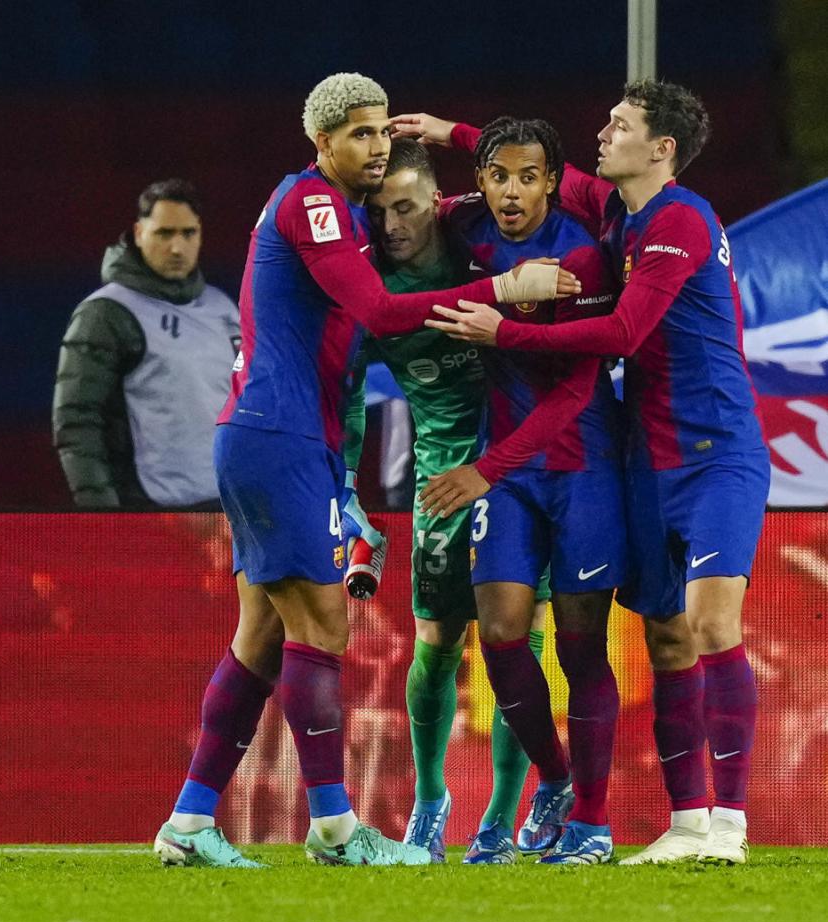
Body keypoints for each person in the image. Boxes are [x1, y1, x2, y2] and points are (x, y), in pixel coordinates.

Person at [151, 71, 576, 869]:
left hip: (278, 438)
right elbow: (379, 313)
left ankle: (190, 820)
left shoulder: (352, 214)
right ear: (322, 142)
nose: (377, 147)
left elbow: (531, 170)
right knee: (324, 629)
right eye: (360, 134)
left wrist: (456, 138)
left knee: (261, 639)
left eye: (384, 131)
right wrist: (504, 288)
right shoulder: (314, 202)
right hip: (279, 436)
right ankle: (339, 831)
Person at [406, 79, 765, 865]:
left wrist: (505, 331)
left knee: (708, 626)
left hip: (715, 455)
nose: (603, 132)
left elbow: (627, 332)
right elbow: (532, 162)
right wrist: (446, 129)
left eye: (620, 124)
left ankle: (730, 827)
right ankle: (686, 821)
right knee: (668, 638)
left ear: (660, 149)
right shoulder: (616, 210)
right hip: (646, 458)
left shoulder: (676, 220)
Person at [414, 117, 625, 865]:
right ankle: (559, 780)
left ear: (550, 181)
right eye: (498, 175)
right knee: (499, 631)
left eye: (527, 177)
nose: (510, 191)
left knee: (580, 648)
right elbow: (408, 207)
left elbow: (573, 393)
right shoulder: (466, 223)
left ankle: (593, 827)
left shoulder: (581, 259)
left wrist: (483, 470)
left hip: (580, 468)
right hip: (506, 470)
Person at [341, 137, 551, 864]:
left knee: (518, 646)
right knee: (435, 644)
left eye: (404, 207)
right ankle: (431, 800)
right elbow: (342, 396)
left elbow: (531, 185)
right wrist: (347, 490)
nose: (391, 223)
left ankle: (500, 815)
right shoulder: (369, 292)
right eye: (379, 211)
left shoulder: (483, 245)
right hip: (443, 480)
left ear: (435, 203)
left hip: (524, 477)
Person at [52, 179, 239, 509]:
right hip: (148, 511)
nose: (177, 247)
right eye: (164, 234)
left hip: (224, 509)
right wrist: (103, 515)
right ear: (139, 234)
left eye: (188, 233)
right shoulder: (106, 314)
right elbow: (77, 420)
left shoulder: (221, 309)